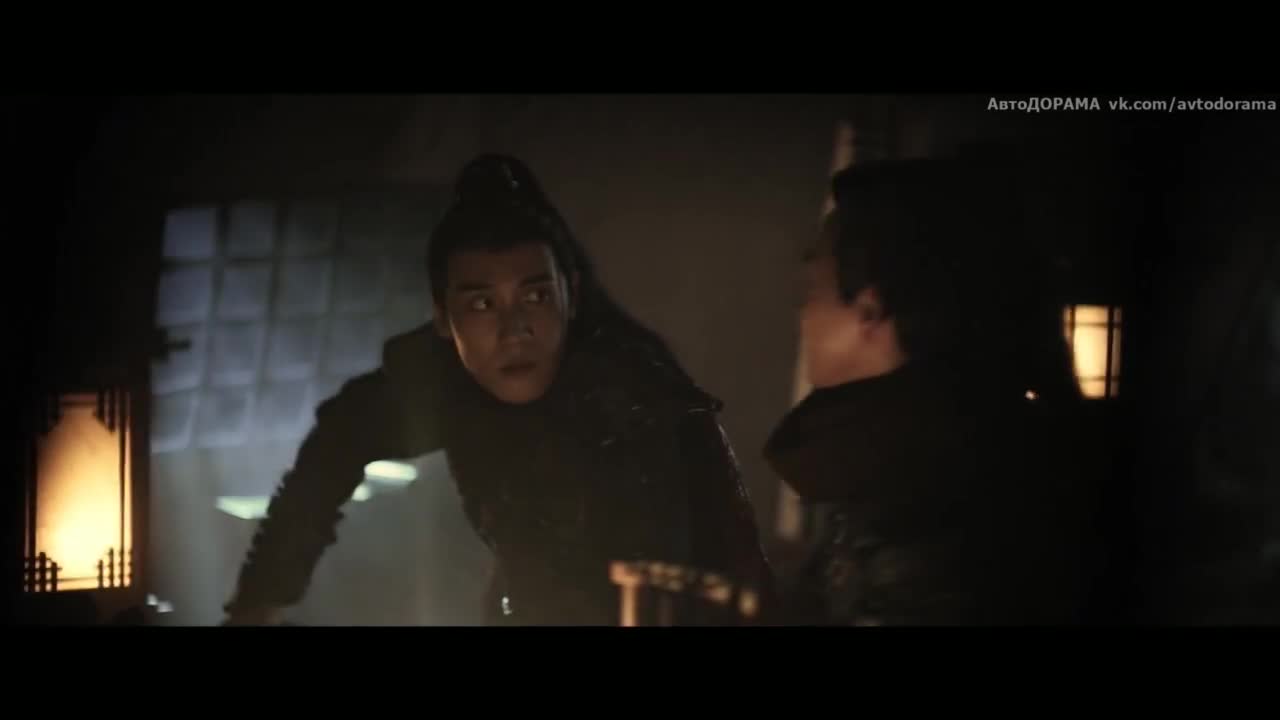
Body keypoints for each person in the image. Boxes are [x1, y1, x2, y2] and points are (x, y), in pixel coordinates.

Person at [223, 154, 774, 626]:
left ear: (570, 296)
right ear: (444, 318)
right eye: (483, 304)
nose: (514, 331)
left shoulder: (636, 399)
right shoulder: (446, 382)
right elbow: (335, 445)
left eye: (535, 297)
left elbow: (699, 571)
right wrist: (258, 604)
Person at [763, 153, 1101, 625]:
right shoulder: (923, 454)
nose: (802, 315)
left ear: (870, 310)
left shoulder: (935, 504)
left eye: (811, 291)